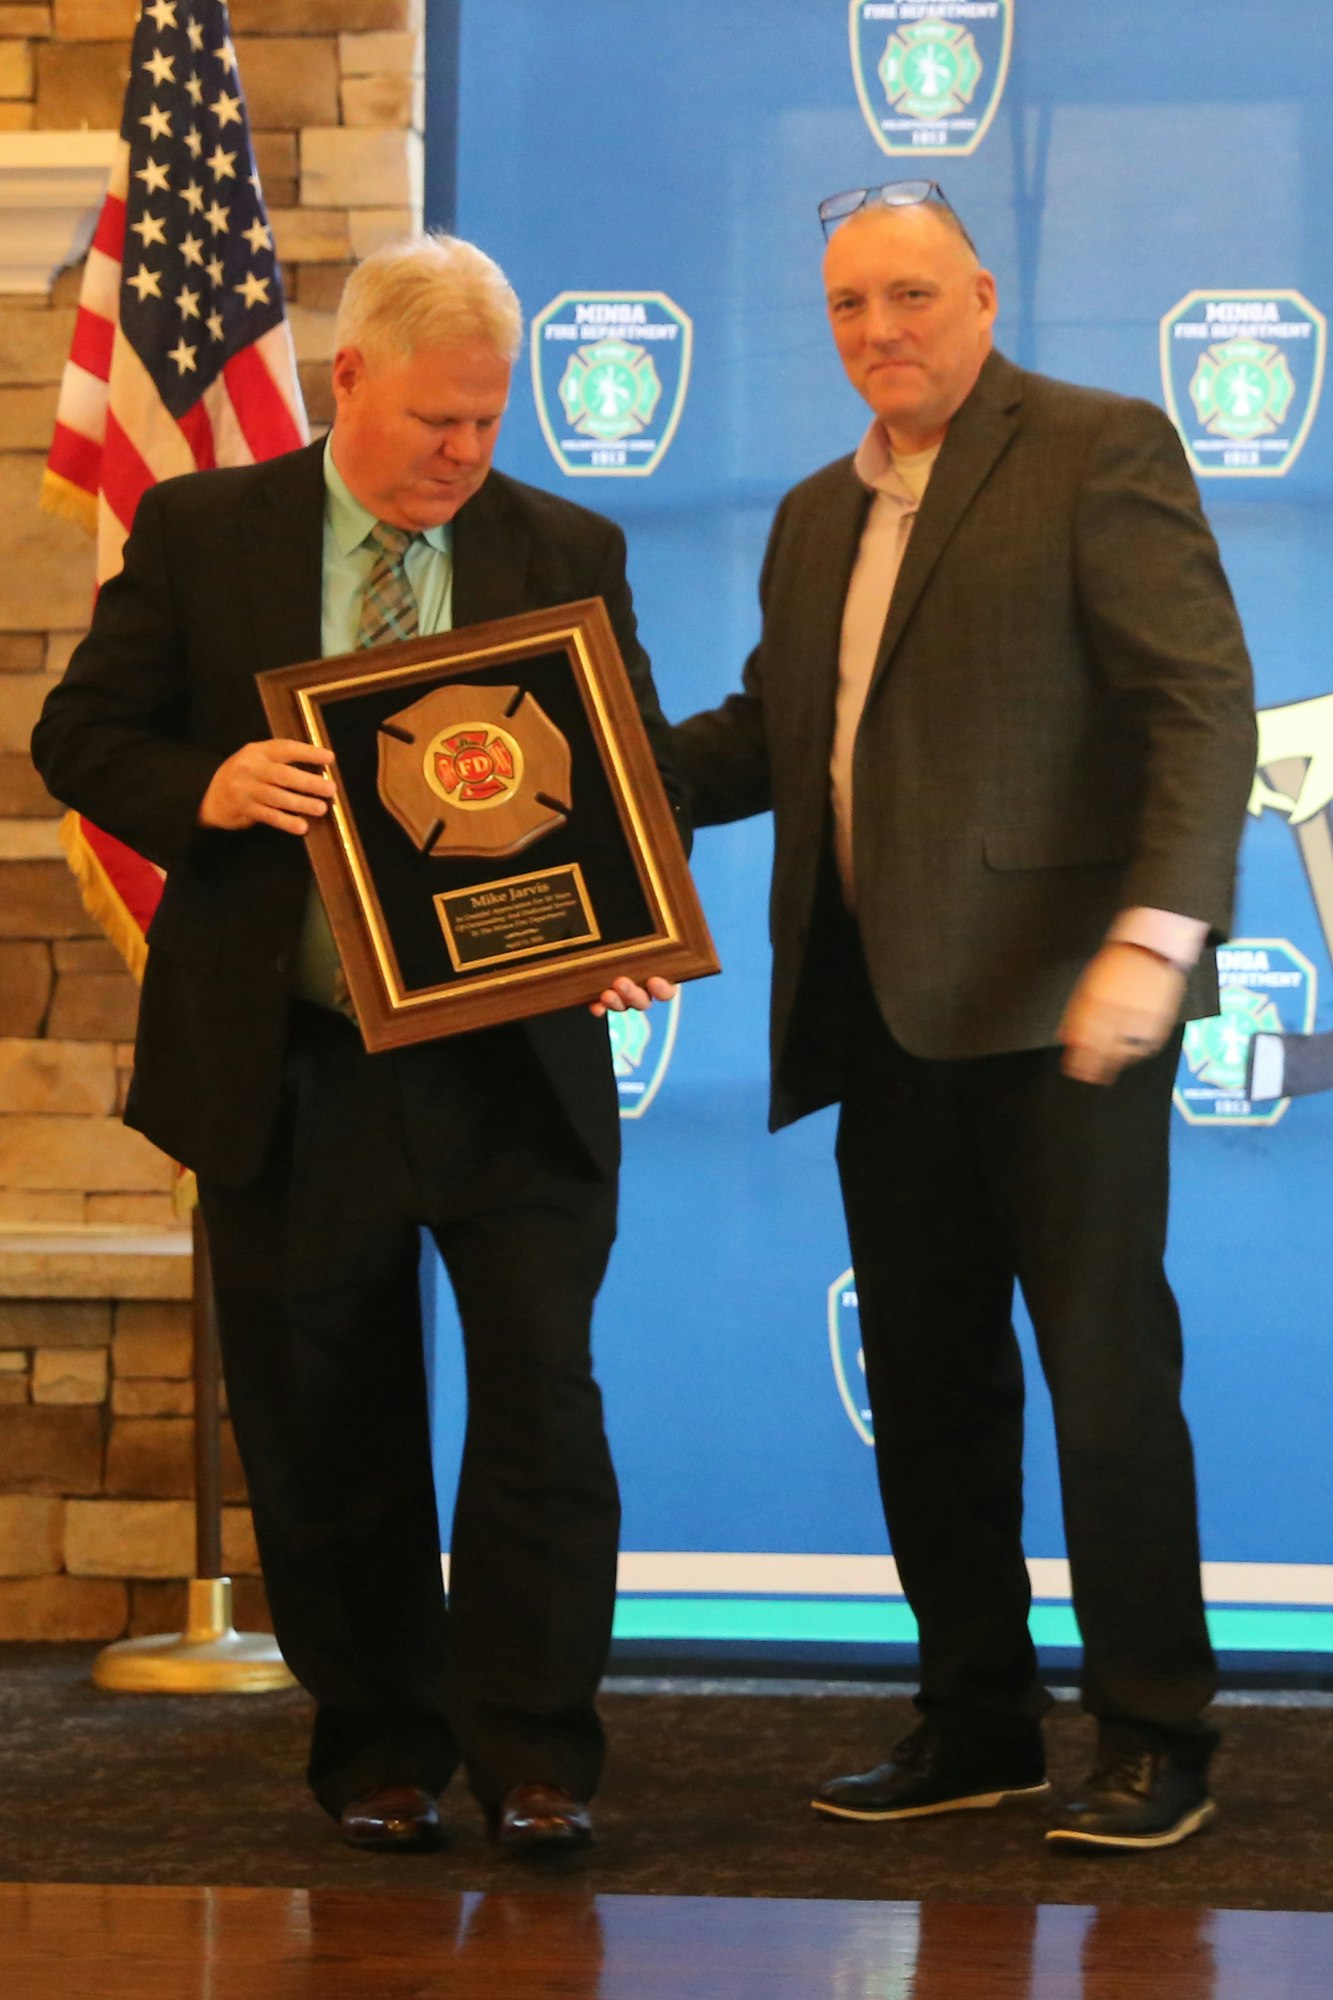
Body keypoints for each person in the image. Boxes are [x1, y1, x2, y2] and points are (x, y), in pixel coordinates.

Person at [33, 234, 682, 1857]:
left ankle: (537, 1757)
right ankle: (377, 1750)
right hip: (295, 1067)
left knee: (544, 1410)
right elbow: (78, 733)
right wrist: (210, 788)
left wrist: (618, 932)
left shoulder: (564, 542)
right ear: (348, 383)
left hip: (510, 1071)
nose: (466, 455)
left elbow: (627, 776)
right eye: (435, 423)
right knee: (329, 1419)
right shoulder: (203, 531)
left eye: (488, 422)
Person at [674, 183, 1256, 1851]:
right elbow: (769, 736)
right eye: (851, 304)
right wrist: (561, 774)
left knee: (1104, 1382)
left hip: (1068, 1012)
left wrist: (1154, 937)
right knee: (929, 1387)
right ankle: (977, 1719)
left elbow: (1196, 705)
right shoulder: (806, 516)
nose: (880, 331)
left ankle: (1154, 1733)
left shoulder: (1097, 447)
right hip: (880, 1012)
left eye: (910, 295)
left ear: (982, 296)